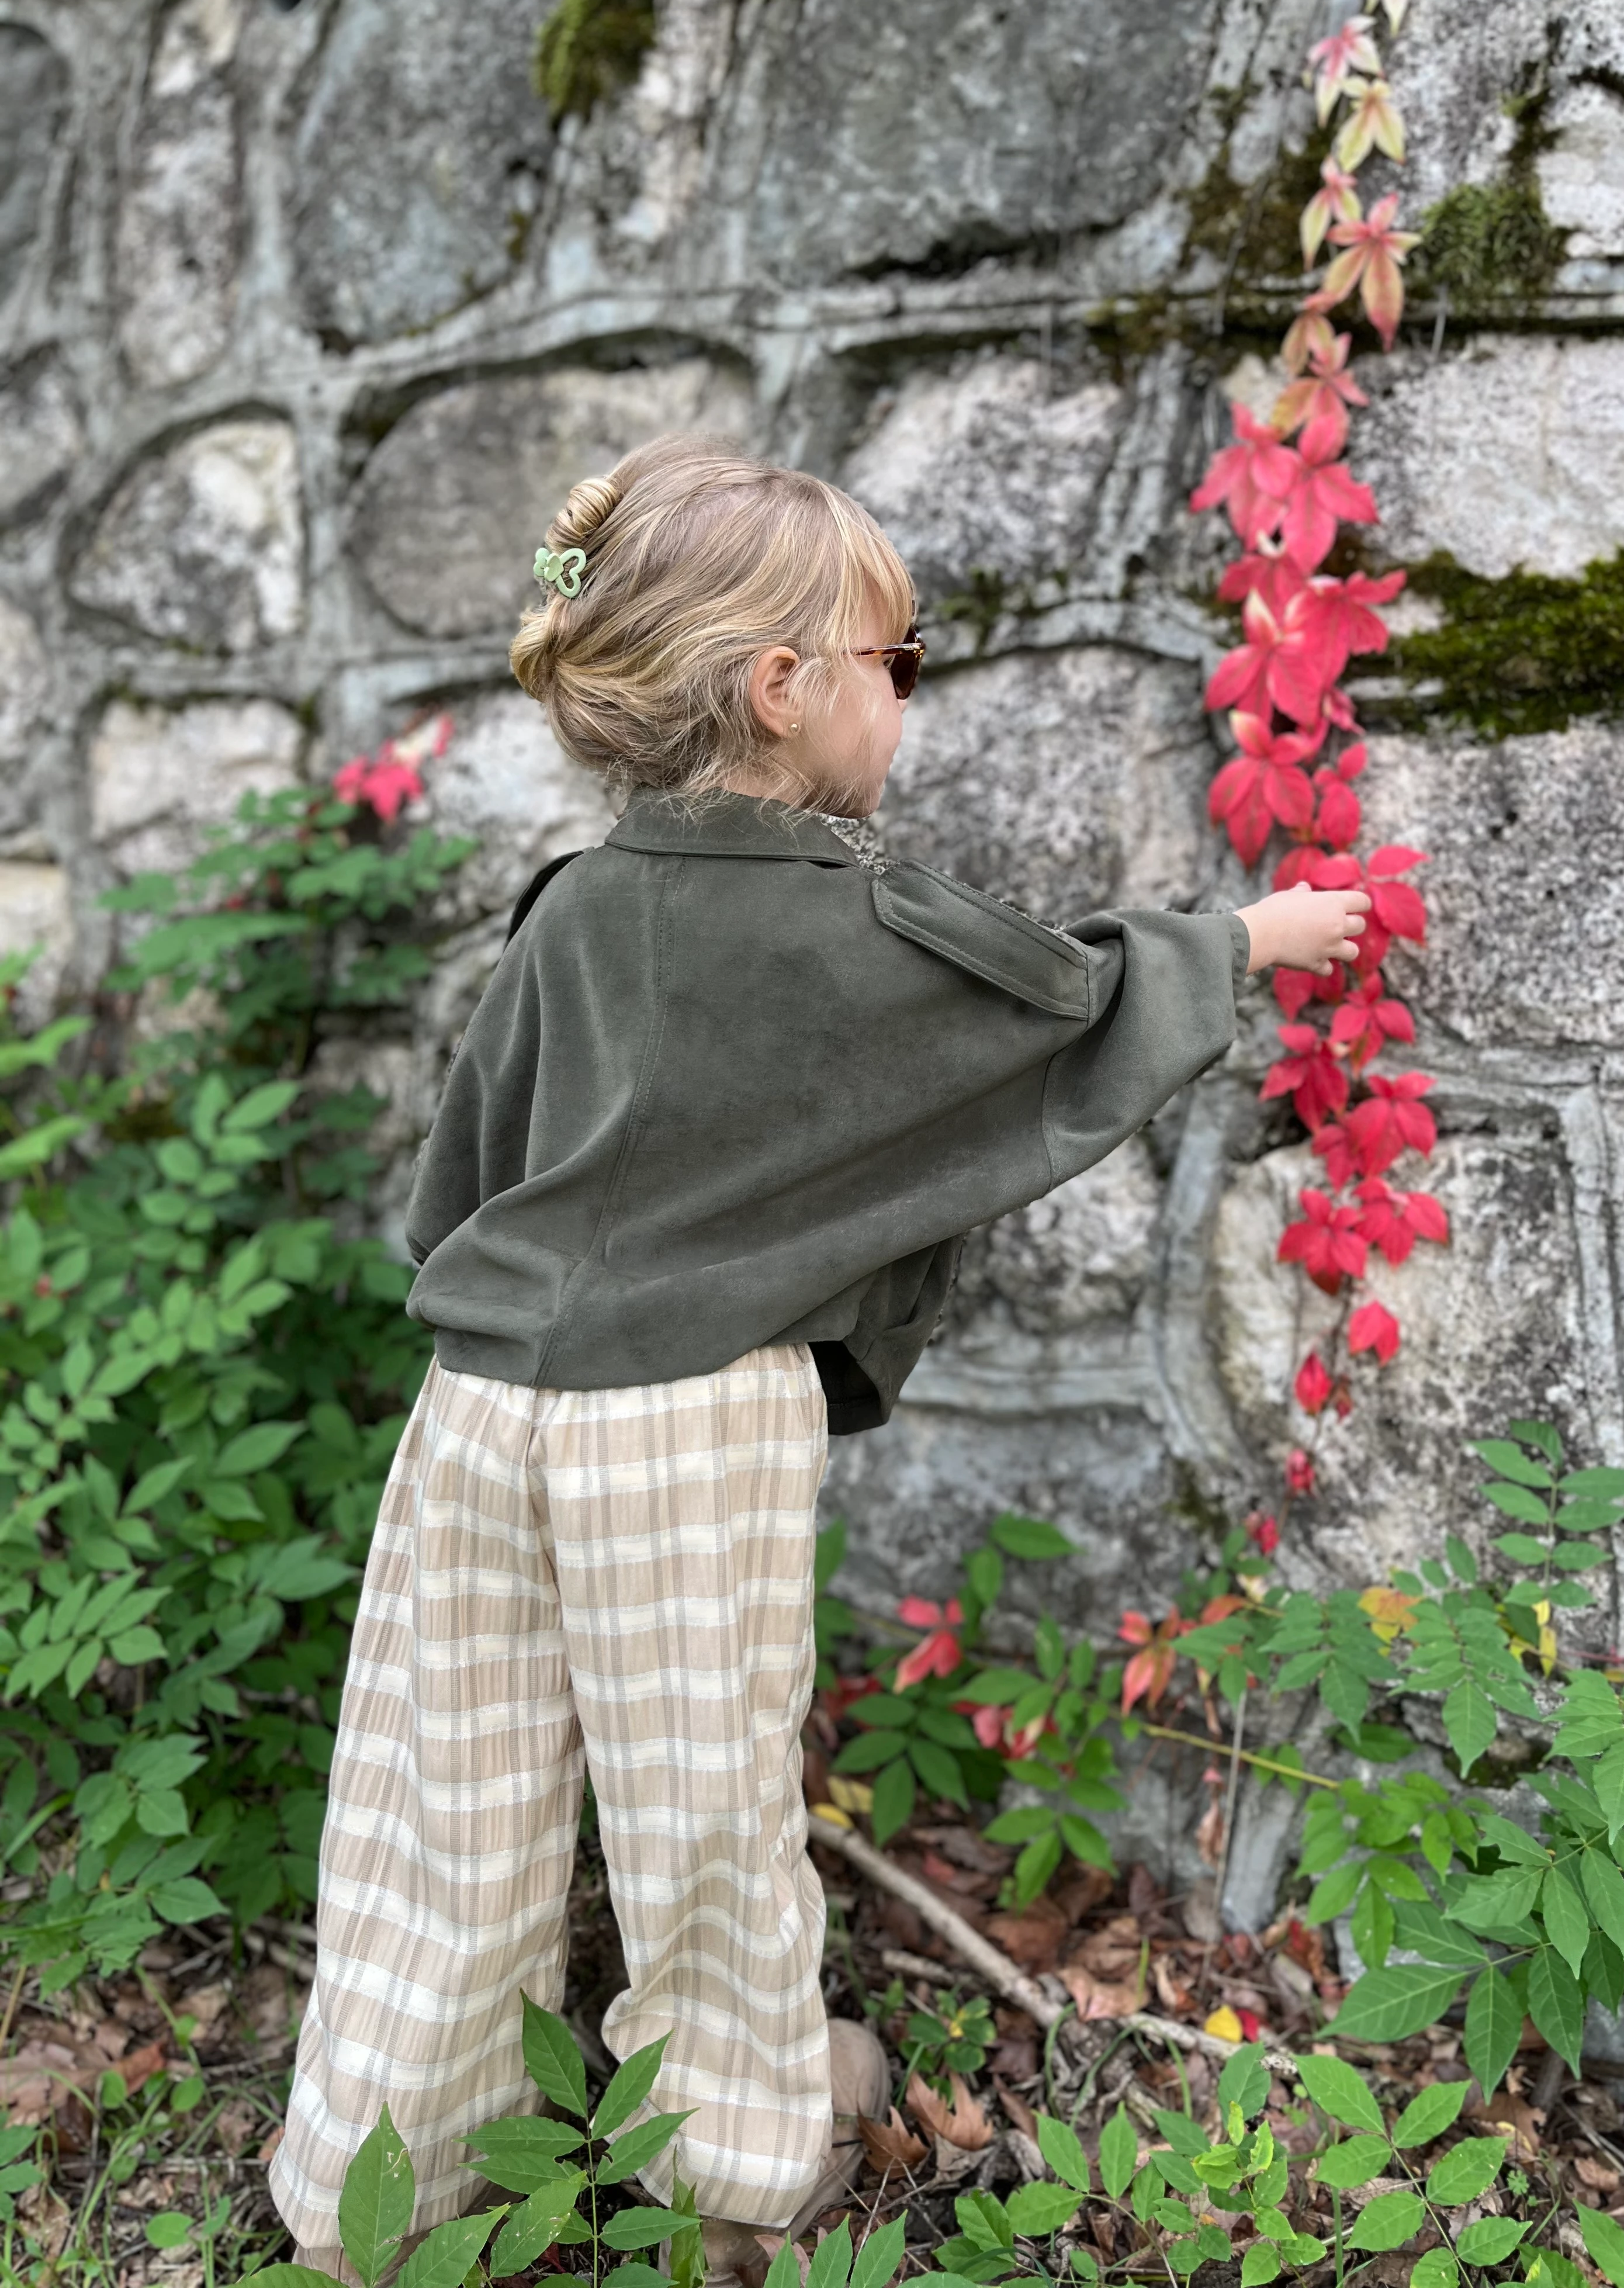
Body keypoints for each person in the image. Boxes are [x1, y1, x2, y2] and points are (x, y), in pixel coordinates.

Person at [269, 435, 1368, 2282]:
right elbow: (1055, 1010)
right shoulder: (857, 918)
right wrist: (1251, 933)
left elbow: (459, 1182)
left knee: (440, 1793)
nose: (908, 705)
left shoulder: (572, 910)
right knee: (703, 1811)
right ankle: (734, 2162)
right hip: (685, 1427)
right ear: (783, 690)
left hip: (479, 1408)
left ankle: (377, 2182)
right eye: (901, 663)